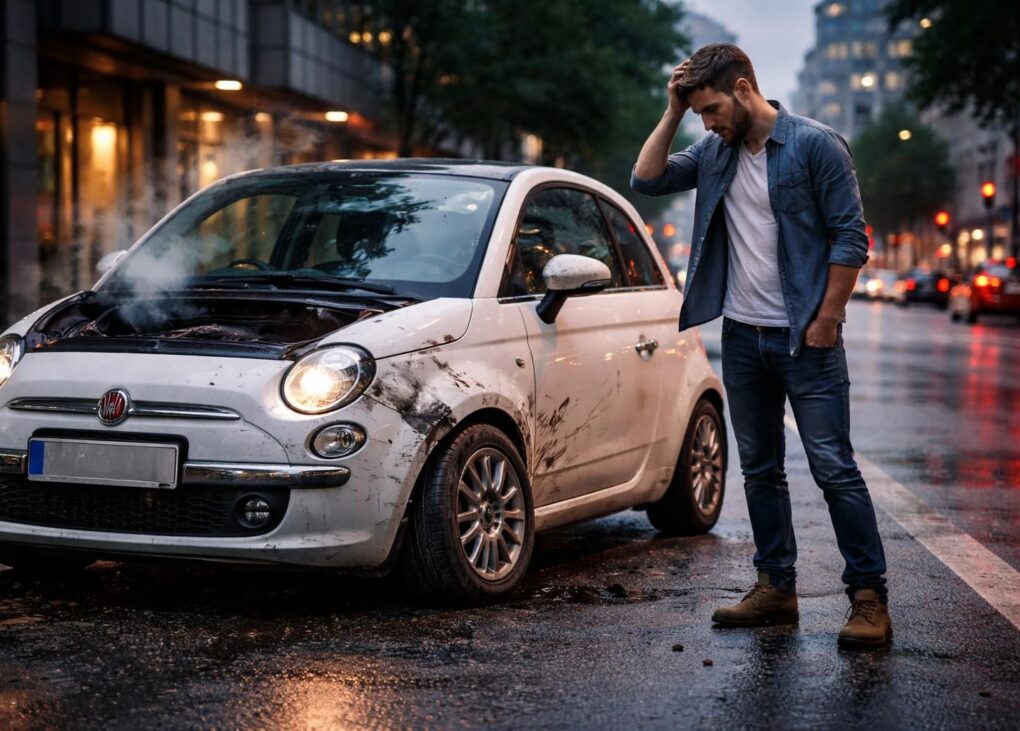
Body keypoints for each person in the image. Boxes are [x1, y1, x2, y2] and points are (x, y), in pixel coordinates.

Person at [630, 43, 890, 649]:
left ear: (745, 88)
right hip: (743, 337)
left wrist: (827, 319)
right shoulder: (715, 152)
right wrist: (672, 112)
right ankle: (776, 587)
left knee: (833, 468)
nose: (709, 122)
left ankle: (869, 597)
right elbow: (646, 179)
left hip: (808, 338)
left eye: (713, 108)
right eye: (698, 114)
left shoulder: (813, 145)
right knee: (761, 470)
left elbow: (850, 239)